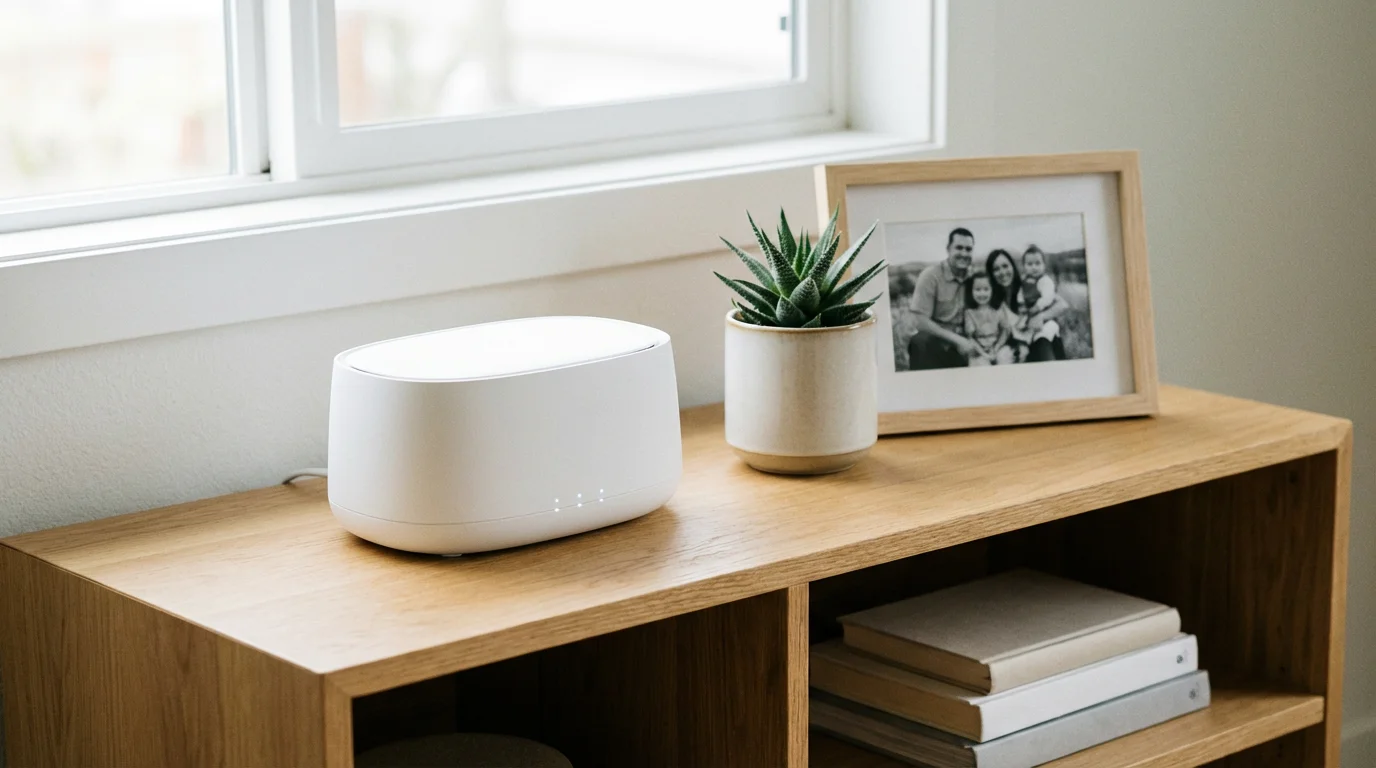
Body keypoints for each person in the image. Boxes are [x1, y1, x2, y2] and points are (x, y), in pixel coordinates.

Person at [906, 227, 978, 369]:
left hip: (967, 343)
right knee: (919, 341)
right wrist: (957, 340)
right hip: (938, 341)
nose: (964, 253)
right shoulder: (931, 276)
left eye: (968, 249)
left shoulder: (974, 278)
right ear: (948, 249)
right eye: (959, 248)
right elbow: (920, 322)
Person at [1019, 245, 1070, 362]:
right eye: (1030, 264)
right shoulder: (1024, 281)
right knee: (1027, 333)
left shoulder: (1045, 281)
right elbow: (1020, 294)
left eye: (1038, 264)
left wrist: (1038, 307)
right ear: (1024, 267)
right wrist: (1021, 303)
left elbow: (1048, 297)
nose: (1034, 267)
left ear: (1044, 265)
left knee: (1044, 334)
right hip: (1030, 316)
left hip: (1045, 316)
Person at [984, 249, 1029, 362]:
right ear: (991, 274)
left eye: (1005, 266)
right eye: (996, 269)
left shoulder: (1027, 286)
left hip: (1035, 342)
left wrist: (1041, 316)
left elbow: (1061, 304)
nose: (1003, 272)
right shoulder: (990, 300)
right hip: (1009, 347)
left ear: (1012, 266)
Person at [963, 273, 1014, 365]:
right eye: (978, 289)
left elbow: (1005, 331)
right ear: (971, 291)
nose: (982, 293)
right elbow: (970, 338)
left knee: (1004, 357)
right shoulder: (969, 312)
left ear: (992, 290)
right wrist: (983, 353)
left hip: (998, 345)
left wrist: (996, 347)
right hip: (978, 349)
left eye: (986, 289)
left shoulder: (998, 309)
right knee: (980, 364)